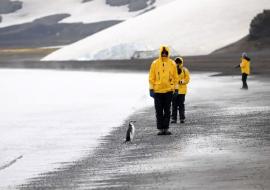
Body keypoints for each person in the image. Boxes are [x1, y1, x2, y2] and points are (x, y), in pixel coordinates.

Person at [149, 46, 178, 135]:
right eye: (163, 52)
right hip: (157, 91)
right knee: (158, 110)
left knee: (167, 110)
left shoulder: (172, 63)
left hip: (168, 91)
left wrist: (176, 89)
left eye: (166, 52)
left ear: (168, 53)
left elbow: (175, 78)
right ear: (160, 53)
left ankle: (166, 128)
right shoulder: (155, 63)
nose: (164, 54)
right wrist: (151, 89)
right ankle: (160, 129)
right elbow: (151, 77)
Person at [171, 57, 190, 124]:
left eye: (178, 62)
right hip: (174, 90)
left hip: (182, 91)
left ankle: (182, 118)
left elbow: (187, 79)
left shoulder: (184, 70)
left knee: (181, 105)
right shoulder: (172, 70)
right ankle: (174, 119)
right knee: (174, 105)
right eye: (176, 62)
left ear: (181, 63)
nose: (177, 63)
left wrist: (181, 81)